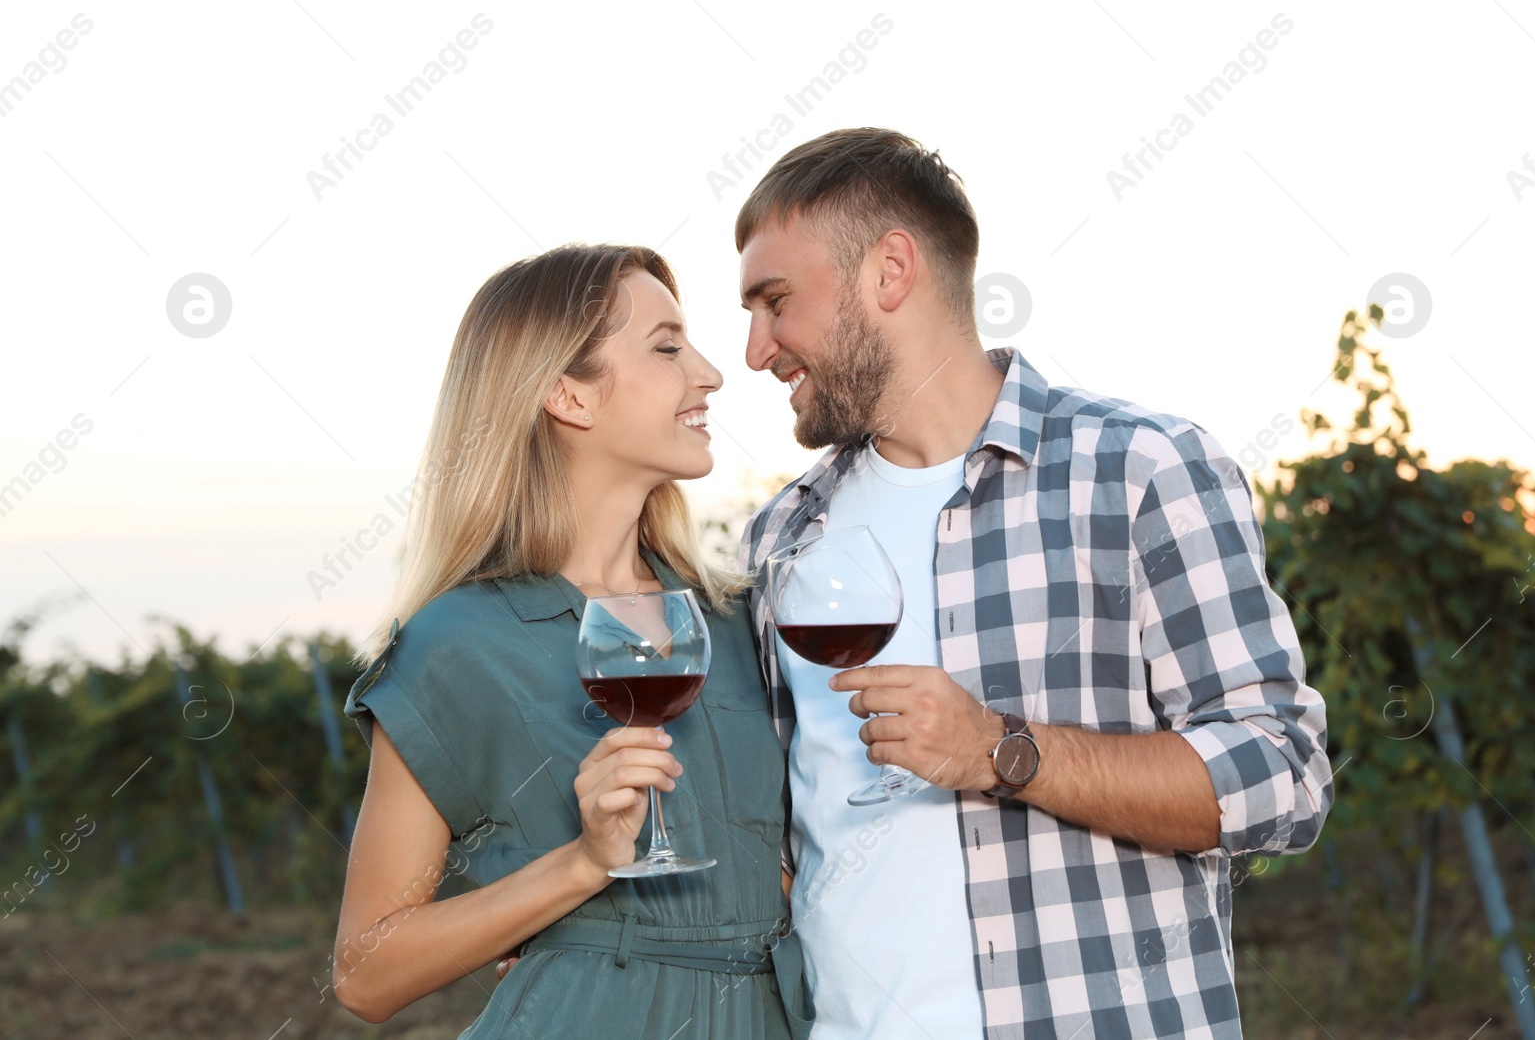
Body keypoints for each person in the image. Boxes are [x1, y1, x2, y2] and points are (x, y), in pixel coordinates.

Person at [734, 128, 1333, 1039]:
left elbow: (1280, 775)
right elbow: (780, 843)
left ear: (890, 270)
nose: (754, 349)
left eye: (775, 302)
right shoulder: (783, 537)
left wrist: (1001, 750)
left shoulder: (1139, 473)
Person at [334, 244, 810, 1038]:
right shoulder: (458, 643)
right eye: (666, 347)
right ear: (567, 395)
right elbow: (363, 973)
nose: (710, 373)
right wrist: (583, 865)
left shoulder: (740, 620)